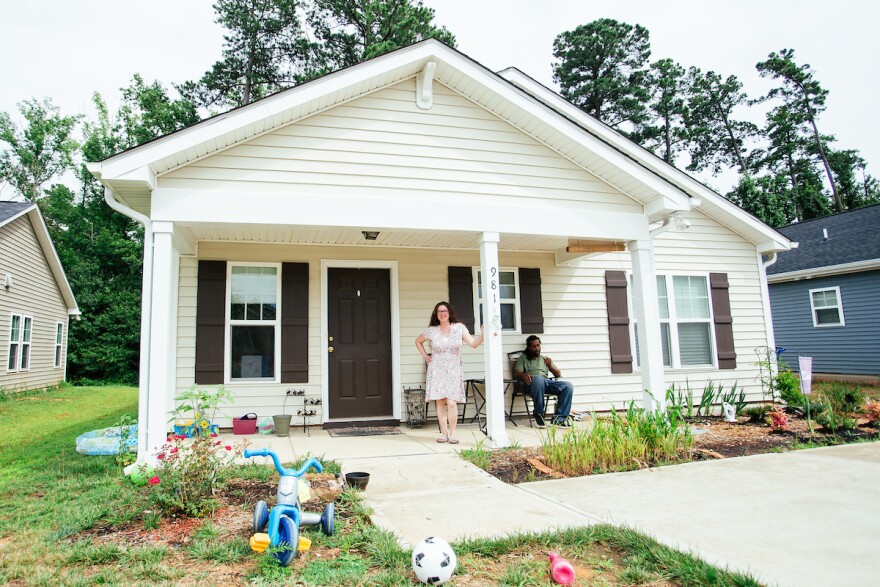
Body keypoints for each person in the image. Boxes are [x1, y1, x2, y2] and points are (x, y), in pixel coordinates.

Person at [415, 301, 485, 444]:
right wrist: (426, 356)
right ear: (436, 314)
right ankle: (444, 433)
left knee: (452, 402)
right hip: (437, 369)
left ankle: (453, 433)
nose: (442, 313)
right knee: (440, 401)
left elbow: (473, 344)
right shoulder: (432, 330)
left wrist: (484, 334)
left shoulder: (459, 328)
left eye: (445, 310)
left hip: (454, 369)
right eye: (439, 311)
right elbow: (418, 341)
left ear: (449, 312)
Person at [514, 335, 573, 428]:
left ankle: (559, 419)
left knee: (568, 386)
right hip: (531, 384)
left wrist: (550, 365)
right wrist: (524, 375)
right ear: (529, 348)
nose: (537, 348)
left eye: (538, 345)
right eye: (533, 346)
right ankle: (539, 415)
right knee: (538, 379)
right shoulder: (523, 358)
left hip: (546, 383)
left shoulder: (545, 359)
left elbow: (557, 374)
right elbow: (517, 373)